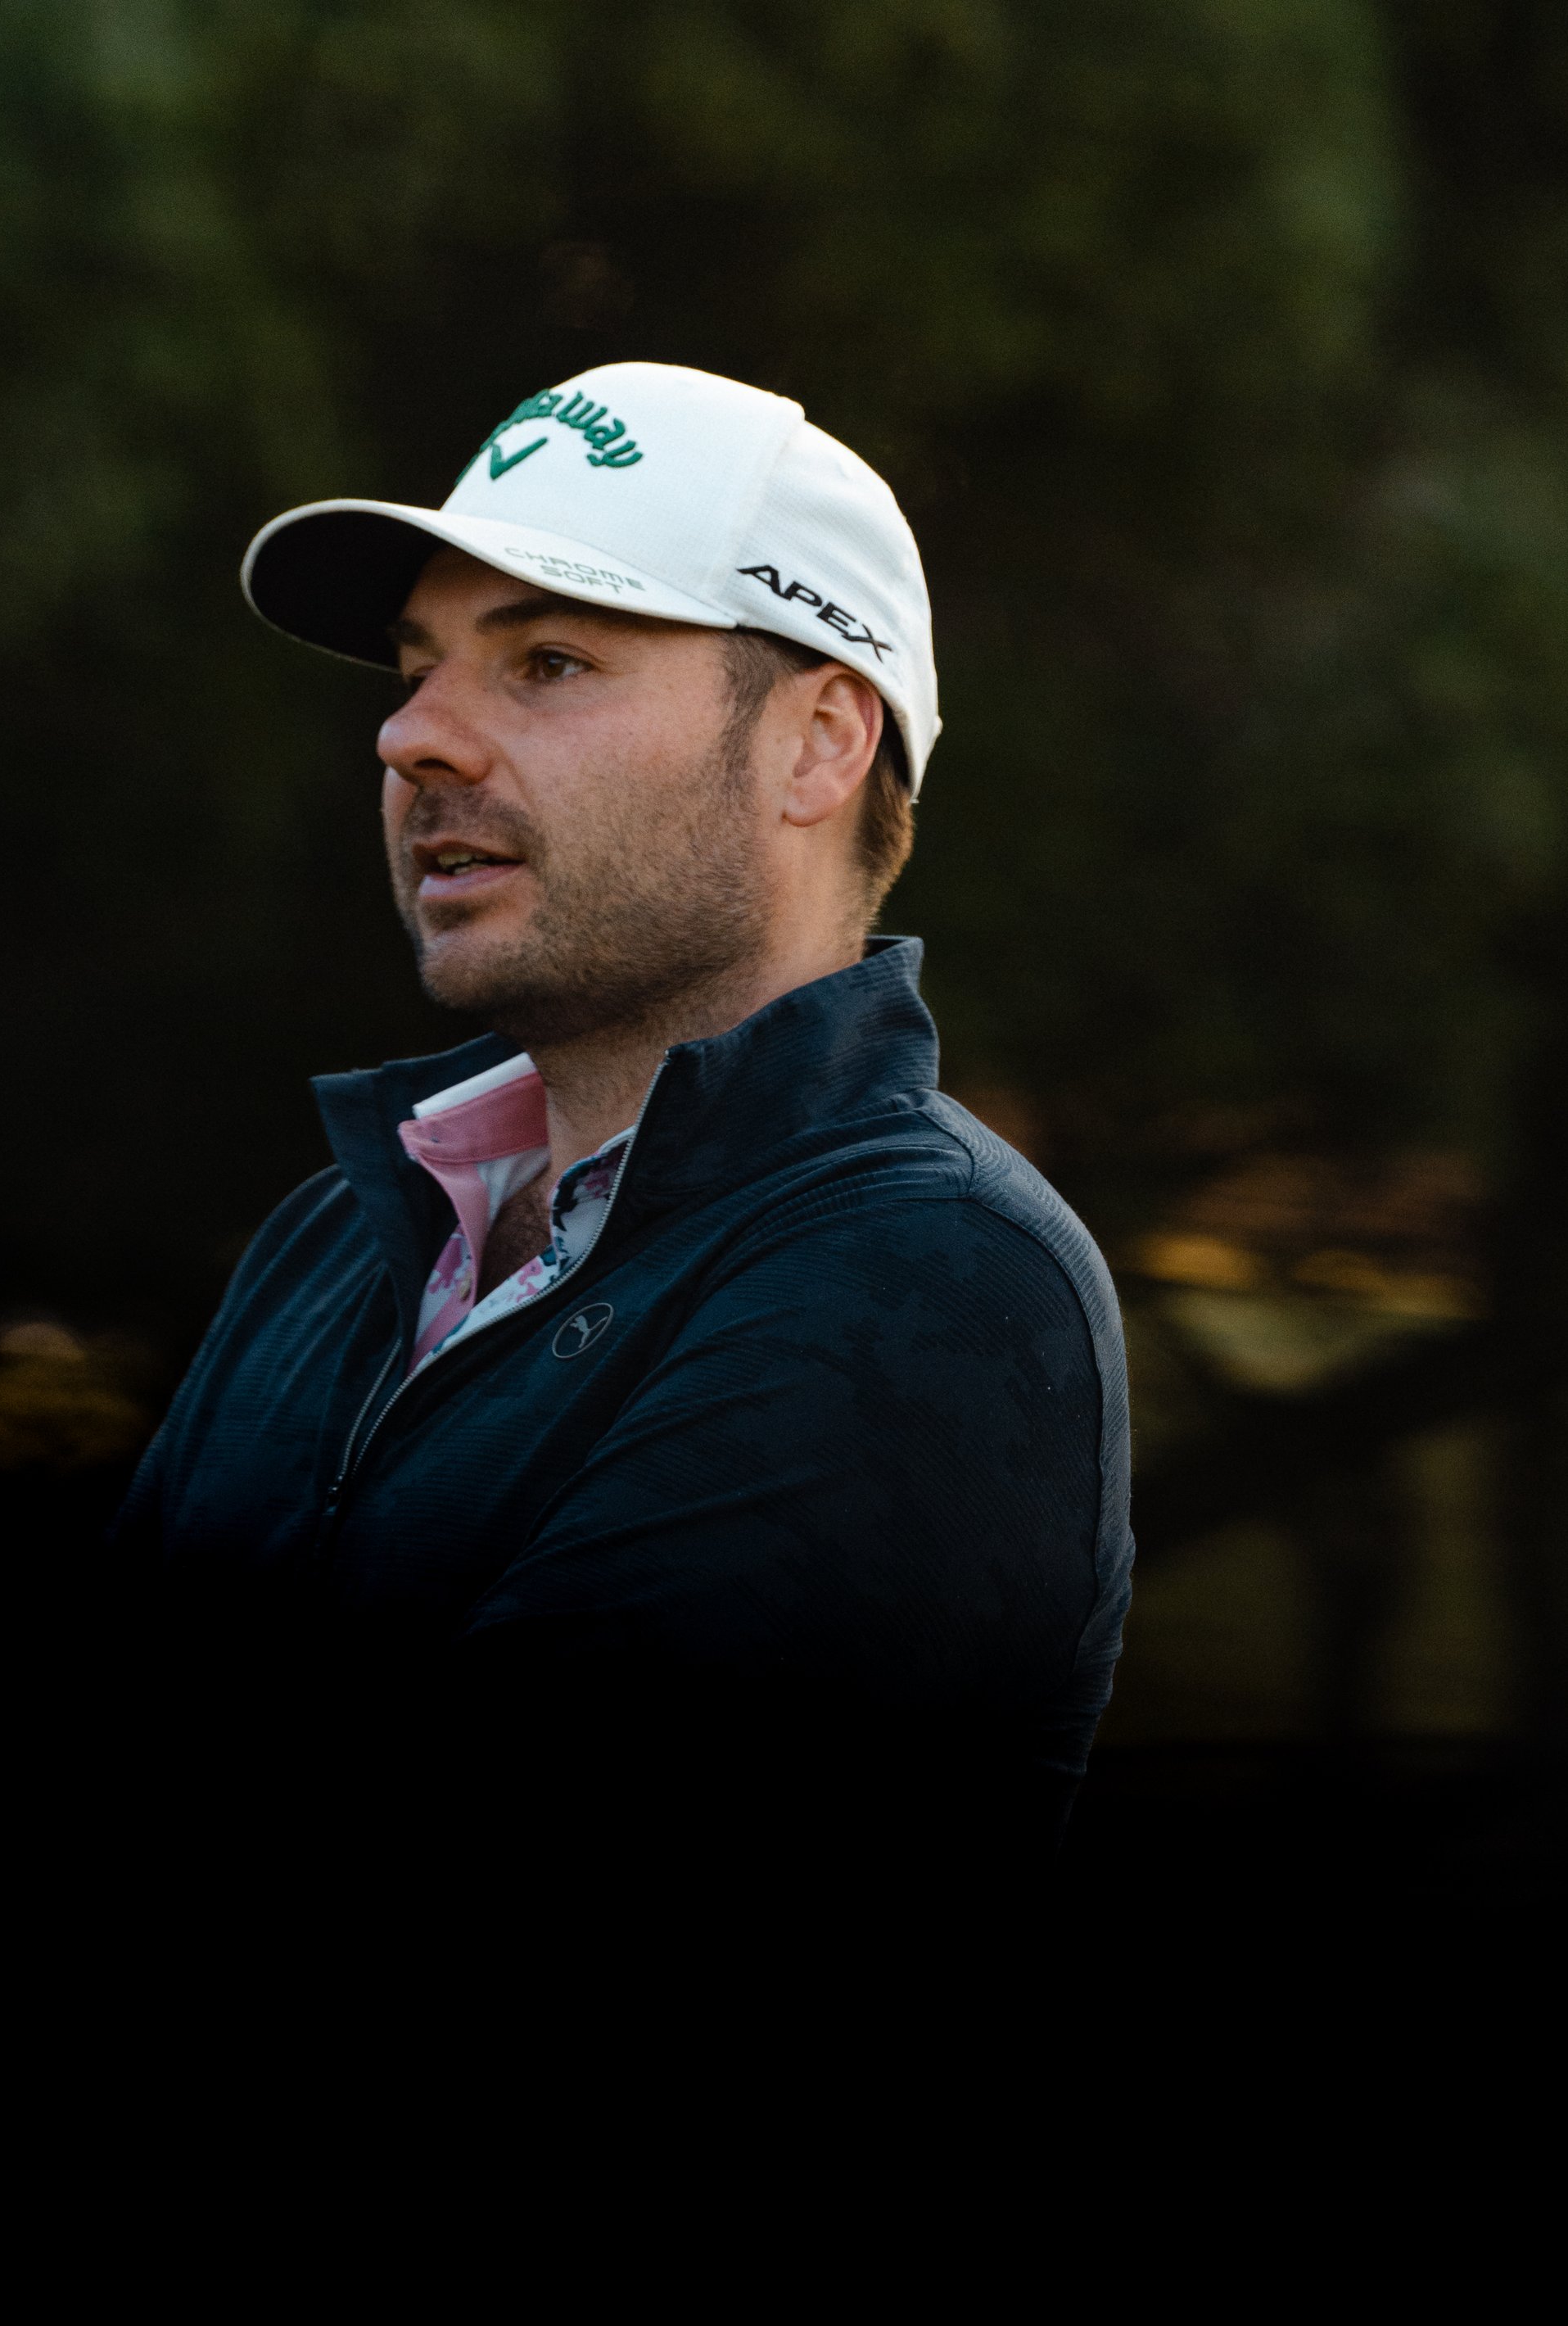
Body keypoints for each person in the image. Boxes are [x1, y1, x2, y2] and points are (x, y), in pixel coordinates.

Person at [114, 363, 1130, 1853]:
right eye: (416, 668)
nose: (411, 738)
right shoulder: (336, 1234)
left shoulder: (936, 1283)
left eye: (548, 661)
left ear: (818, 743)